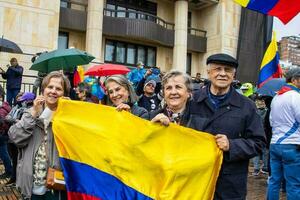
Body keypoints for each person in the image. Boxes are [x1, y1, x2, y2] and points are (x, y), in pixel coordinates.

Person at [190, 53, 266, 199]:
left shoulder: (247, 106)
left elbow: (259, 143)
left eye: (228, 70)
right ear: (209, 72)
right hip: (196, 182)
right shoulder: (193, 100)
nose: (222, 74)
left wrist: (232, 145)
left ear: (234, 75)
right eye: (218, 69)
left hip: (230, 186)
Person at [8, 71, 70, 199]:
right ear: (43, 90)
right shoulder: (30, 113)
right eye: (50, 87)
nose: (53, 91)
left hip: (56, 187)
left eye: (58, 89)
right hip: (30, 187)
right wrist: (33, 114)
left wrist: (69, 114)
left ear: (64, 94)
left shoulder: (69, 118)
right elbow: (15, 138)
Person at [267, 68, 300, 200]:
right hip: (292, 144)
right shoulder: (296, 96)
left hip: (275, 144)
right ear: (294, 80)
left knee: (274, 181)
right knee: (294, 184)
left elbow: (271, 121)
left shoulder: (276, 96)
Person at [0, 94, 12, 180]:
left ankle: (9, 171)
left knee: (4, 154)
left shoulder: (2, 109)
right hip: (3, 134)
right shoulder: (5, 106)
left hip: (1, 134)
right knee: (4, 153)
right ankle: (9, 171)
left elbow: (2, 122)